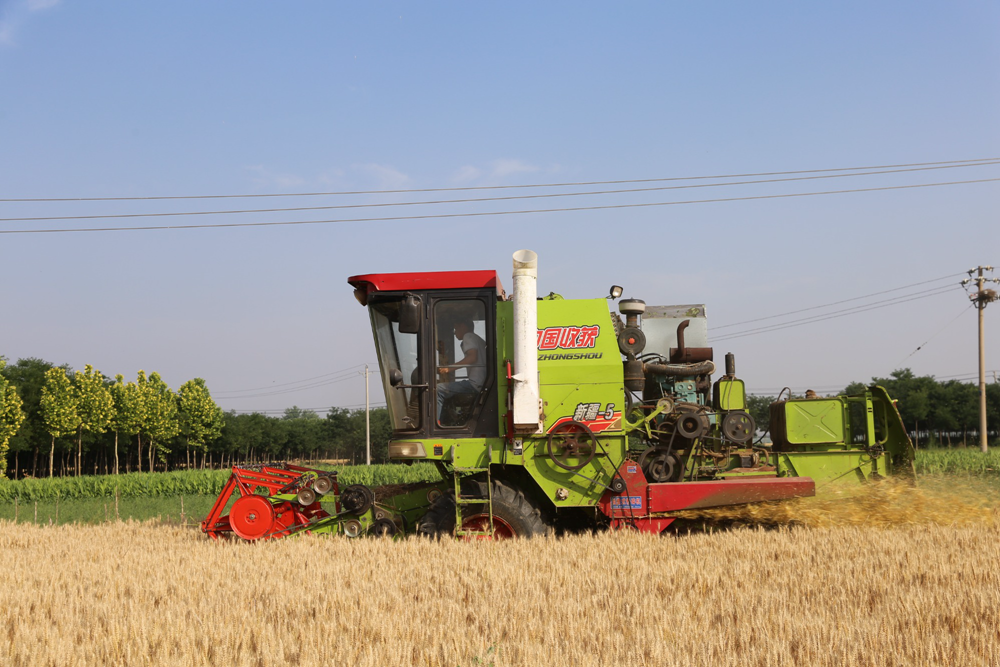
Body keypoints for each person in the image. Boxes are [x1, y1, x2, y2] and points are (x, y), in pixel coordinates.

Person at [437, 317, 487, 424]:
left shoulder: (468, 336)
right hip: (482, 384)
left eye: (455, 328)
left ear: (463, 327)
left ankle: (437, 423)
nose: (455, 333)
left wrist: (448, 368)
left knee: (438, 389)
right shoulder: (479, 340)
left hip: (475, 385)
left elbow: (472, 357)